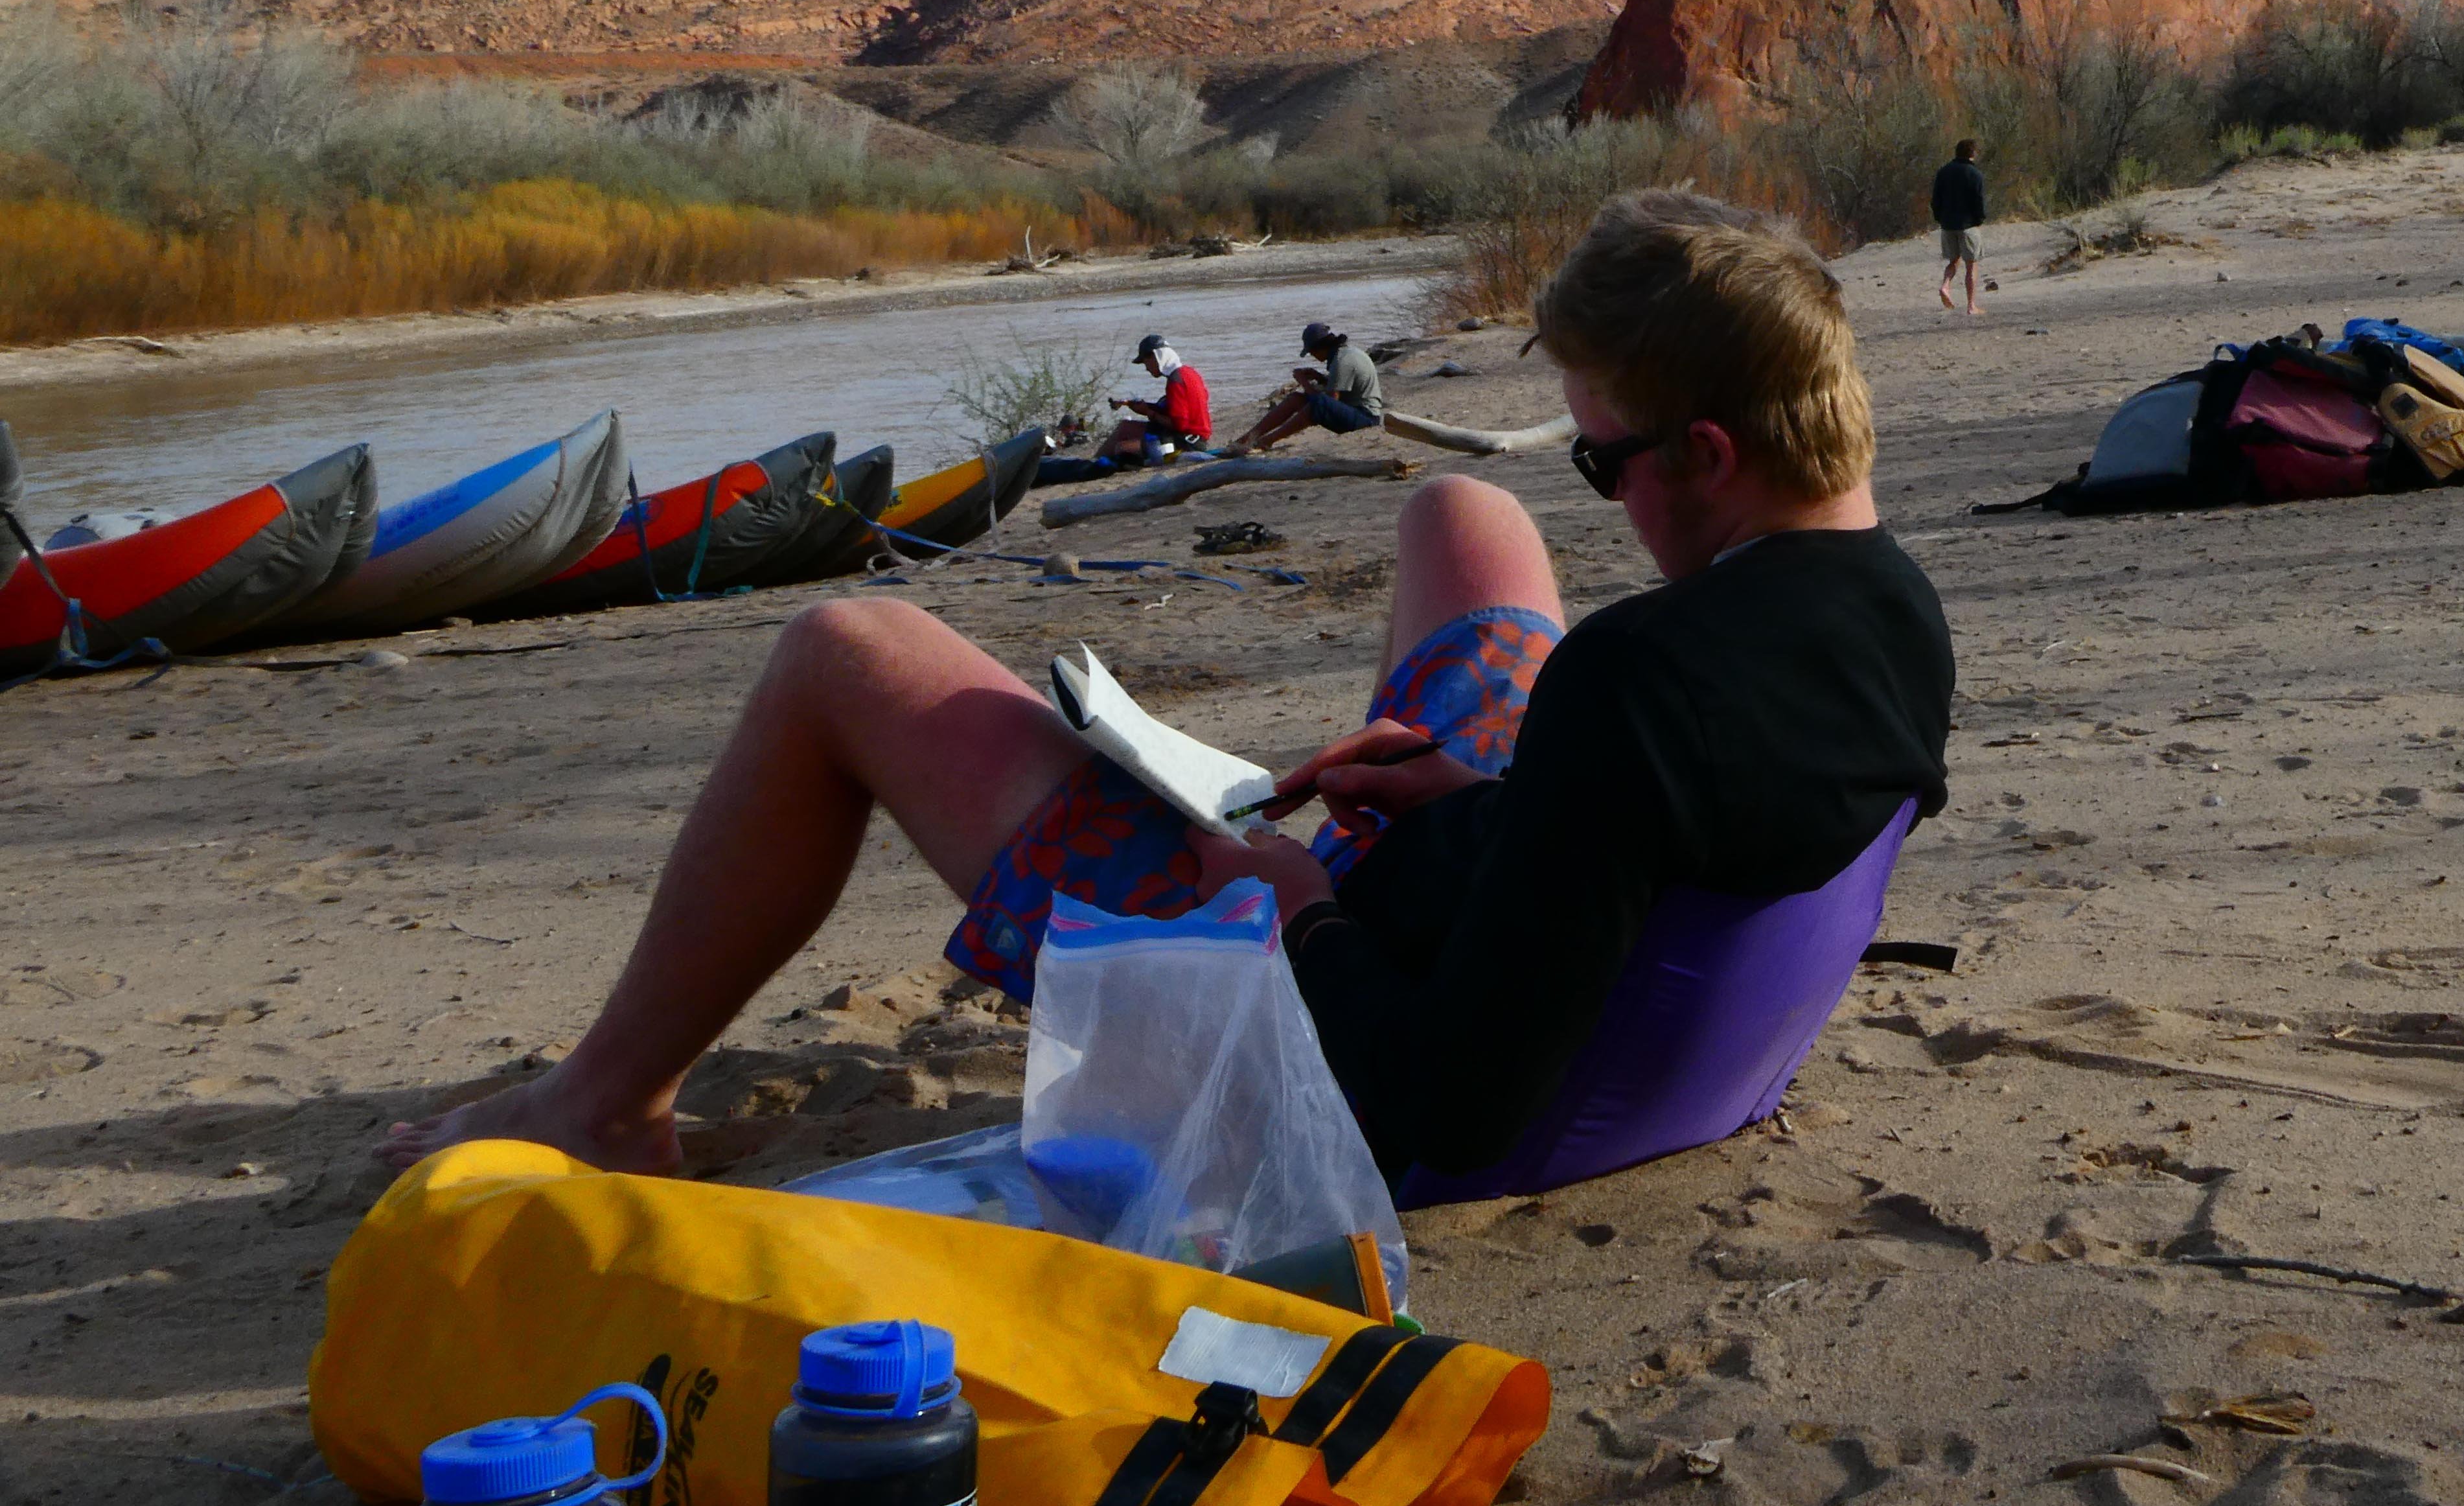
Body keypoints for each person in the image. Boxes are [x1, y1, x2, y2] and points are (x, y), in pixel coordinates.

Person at [386, 192, 1953, 1186]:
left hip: (1373, 1078)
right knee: (1463, 512)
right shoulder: (1889, 609)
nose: (1600, 488)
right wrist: (1485, 809)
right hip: (1591, 993)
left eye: (1602, 457)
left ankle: (604, 1102)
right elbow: (1648, 831)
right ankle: (1371, 825)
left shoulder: (1634, 680)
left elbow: (1437, 1110)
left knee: (844, 654)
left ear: (1709, 455)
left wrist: (1289, 904)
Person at [1229, 321, 1385, 454]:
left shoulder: (1342, 361)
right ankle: (1250, 437)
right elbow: (1343, 389)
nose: (1312, 356)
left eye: (1311, 352)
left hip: (1366, 419)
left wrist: (1304, 382)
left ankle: (1268, 440)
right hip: (1355, 411)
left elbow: (1328, 404)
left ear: (1320, 347)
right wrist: (1320, 378)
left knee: (1317, 405)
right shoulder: (1346, 354)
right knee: (1295, 399)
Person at [1090, 333, 1214, 468]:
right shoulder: (1188, 373)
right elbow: (1178, 410)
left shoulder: (1175, 382)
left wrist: (1149, 412)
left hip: (1187, 442)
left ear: (1156, 357)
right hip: (1192, 436)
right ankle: (1094, 462)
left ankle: (1095, 466)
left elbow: (1179, 425)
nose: (1147, 368)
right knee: (1126, 427)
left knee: (1121, 448)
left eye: (1146, 362)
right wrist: (1142, 408)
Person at [1932, 138, 1988, 314]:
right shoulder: (1975, 174)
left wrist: (1940, 218)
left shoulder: (1943, 172)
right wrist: (1979, 219)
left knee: (1953, 261)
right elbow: (1978, 201)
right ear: (1973, 153)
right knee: (1971, 264)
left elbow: (1935, 199)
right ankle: (1971, 305)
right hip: (1968, 225)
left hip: (1948, 224)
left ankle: (1945, 286)